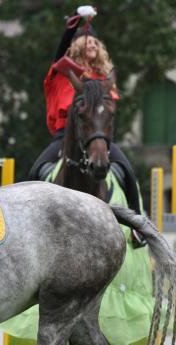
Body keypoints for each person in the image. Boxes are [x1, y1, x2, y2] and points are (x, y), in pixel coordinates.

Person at [28, 5, 141, 215]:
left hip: (97, 135)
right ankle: (28, 219)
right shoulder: (61, 74)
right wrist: (75, 21)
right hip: (64, 137)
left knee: (128, 172)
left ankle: (138, 226)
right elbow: (61, 52)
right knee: (35, 172)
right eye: (88, 41)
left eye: (95, 42)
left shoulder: (103, 78)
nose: (93, 44)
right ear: (78, 45)